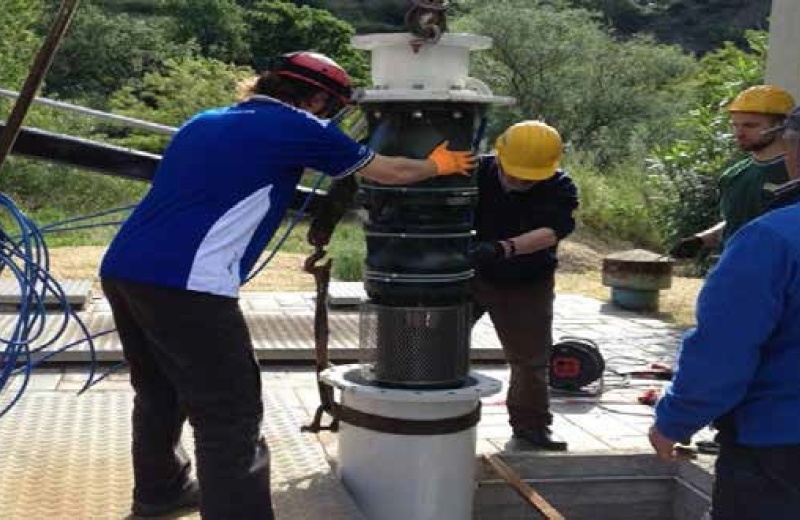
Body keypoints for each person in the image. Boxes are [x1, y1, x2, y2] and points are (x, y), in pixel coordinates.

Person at [99, 51, 475, 519]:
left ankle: (160, 491)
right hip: (189, 283)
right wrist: (438, 165)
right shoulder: (300, 127)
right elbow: (390, 171)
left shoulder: (203, 120)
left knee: (159, 391)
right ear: (318, 99)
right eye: (331, 107)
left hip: (123, 268)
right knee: (230, 413)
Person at [649, 106, 800, 520]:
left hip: (778, 449)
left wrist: (674, 421)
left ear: (793, 148)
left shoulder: (773, 240)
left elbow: (724, 352)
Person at [468, 120, 579, 451]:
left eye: (530, 178)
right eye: (513, 172)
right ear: (499, 154)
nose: (518, 181)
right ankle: (440, 416)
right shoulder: (473, 173)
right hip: (469, 277)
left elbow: (551, 232)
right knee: (441, 346)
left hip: (527, 282)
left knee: (531, 360)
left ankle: (531, 426)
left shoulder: (560, 187)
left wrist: (503, 248)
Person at [670, 84, 795, 258]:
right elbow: (736, 221)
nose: (739, 133)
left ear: (782, 125)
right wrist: (701, 240)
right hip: (733, 272)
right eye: (735, 125)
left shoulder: (794, 174)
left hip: (779, 277)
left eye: (750, 126)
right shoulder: (734, 175)